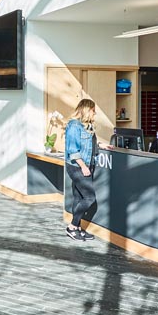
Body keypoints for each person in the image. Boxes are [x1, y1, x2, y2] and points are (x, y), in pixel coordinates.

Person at [64, 98, 98, 241]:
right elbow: (73, 150)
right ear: (86, 110)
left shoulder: (86, 126)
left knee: (78, 197)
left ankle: (77, 228)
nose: (95, 114)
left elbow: (88, 144)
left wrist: (101, 145)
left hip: (85, 165)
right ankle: (72, 226)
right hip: (77, 166)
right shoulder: (74, 126)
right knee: (90, 198)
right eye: (93, 111)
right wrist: (83, 166)